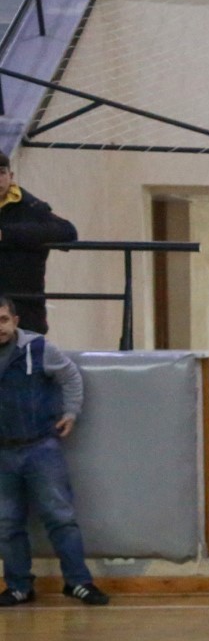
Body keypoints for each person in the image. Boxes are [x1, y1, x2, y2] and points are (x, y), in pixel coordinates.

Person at [0, 297, 109, 609]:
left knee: (60, 517)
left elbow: (71, 376)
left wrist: (71, 412)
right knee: (6, 524)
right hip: (2, 453)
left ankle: (78, 583)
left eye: (3, 320)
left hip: (41, 448)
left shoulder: (39, 348)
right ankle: (18, 586)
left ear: (15, 321)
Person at [0, 152, 77, 337]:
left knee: (29, 352)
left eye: (1, 172)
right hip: (21, 305)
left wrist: (6, 234)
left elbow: (68, 233)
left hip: (25, 308)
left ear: (11, 175)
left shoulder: (31, 207)